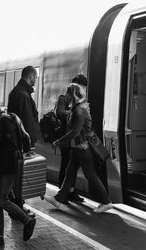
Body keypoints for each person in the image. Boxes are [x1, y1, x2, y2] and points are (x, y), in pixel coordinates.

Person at [0, 89, 36, 247]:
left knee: (2, 200)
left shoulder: (3, 119)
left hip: (7, 167)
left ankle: (27, 220)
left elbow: (12, 148)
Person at [44, 83, 113, 213]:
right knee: (70, 172)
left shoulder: (79, 110)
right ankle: (58, 199)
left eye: (68, 93)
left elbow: (75, 132)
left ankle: (106, 201)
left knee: (90, 174)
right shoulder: (78, 107)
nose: (66, 96)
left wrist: (59, 142)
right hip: (78, 146)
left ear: (73, 94)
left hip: (82, 147)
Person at [55, 74, 88, 202]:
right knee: (65, 165)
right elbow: (60, 113)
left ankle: (71, 191)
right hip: (66, 138)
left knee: (73, 167)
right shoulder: (63, 98)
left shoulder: (80, 100)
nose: (83, 89)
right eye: (82, 86)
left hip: (76, 139)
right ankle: (62, 191)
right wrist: (74, 112)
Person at [7, 65, 39, 148]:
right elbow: (26, 119)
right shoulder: (23, 94)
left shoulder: (18, 91)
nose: (36, 79)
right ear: (30, 76)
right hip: (22, 140)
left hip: (16, 136)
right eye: (35, 77)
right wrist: (30, 140)